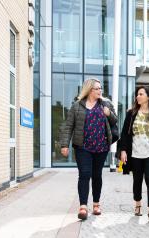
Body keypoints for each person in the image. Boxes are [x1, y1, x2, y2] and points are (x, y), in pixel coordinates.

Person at [59, 78, 117, 220]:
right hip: (83, 147)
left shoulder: (106, 103)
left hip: (101, 147)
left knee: (97, 176)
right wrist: (64, 144)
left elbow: (115, 120)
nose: (100, 91)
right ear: (89, 90)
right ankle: (83, 206)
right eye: (96, 88)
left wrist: (109, 114)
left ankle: (96, 204)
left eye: (100, 88)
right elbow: (68, 126)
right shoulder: (77, 106)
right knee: (84, 174)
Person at [119, 85, 149, 222]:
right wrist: (123, 150)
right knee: (137, 180)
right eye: (137, 94)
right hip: (135, 153)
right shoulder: (131, 113)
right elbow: (124, 134)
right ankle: (138, 204)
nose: (137, 96)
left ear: (148, 96)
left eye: (141, 94)